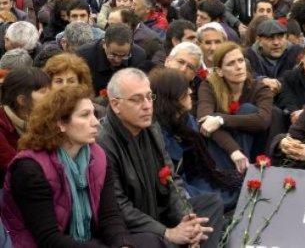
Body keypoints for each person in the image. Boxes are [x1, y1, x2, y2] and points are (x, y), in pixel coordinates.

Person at [2, 85, 164, 247]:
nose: (95, 123)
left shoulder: (97, 156)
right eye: (85, 115)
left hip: (86, 242)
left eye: (94, 113)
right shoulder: (30, 168)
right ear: (60, 123)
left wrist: (123, 244)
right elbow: (48, 238)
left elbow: (109, 216)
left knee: (152, 240)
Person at [98, 68, 224, 247]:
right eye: (137, 99)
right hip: (134, 227)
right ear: (116, 104)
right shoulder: (103, 144)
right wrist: (167, 232)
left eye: (150, 97)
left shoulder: (152, 127)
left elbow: (172, 180)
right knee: (157, 242)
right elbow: (120, 207)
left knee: (210, 204)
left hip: (161, 213)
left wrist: (187, 220)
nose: (147, 105)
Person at [149, 67, 241, 210]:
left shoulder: (185, 119)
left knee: (235, 187)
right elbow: (174, 180)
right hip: (179, 186)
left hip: (194, 174)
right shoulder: (157, 133)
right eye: (184, 92)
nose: (191, 92)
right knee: (218, 200)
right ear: (171, 98)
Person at [197, 42, 273, 172]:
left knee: (247, 109)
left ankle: (235, 177)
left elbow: (263, 120)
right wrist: (234, 150)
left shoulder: (260, 88)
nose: (238, 67)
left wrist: (220, 120)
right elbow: (204, 121)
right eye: (231, 63)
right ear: (219, 71)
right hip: (223, 151)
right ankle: (235, 177)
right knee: (210, 124)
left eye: (240, 61)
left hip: (255, 148)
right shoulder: (209, 86)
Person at [0, 67, 49, 186]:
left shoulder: (46, 118)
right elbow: (16, 168)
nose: (50, 96)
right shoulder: (2, 126)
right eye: (43, 92)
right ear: (22, 100)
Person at [77, 24, 146, 93]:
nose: (117, 60)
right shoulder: (84, 56)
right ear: (104, 44)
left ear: (131, 47)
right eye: (113, 55)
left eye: (124, 56)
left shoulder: (138, 56)